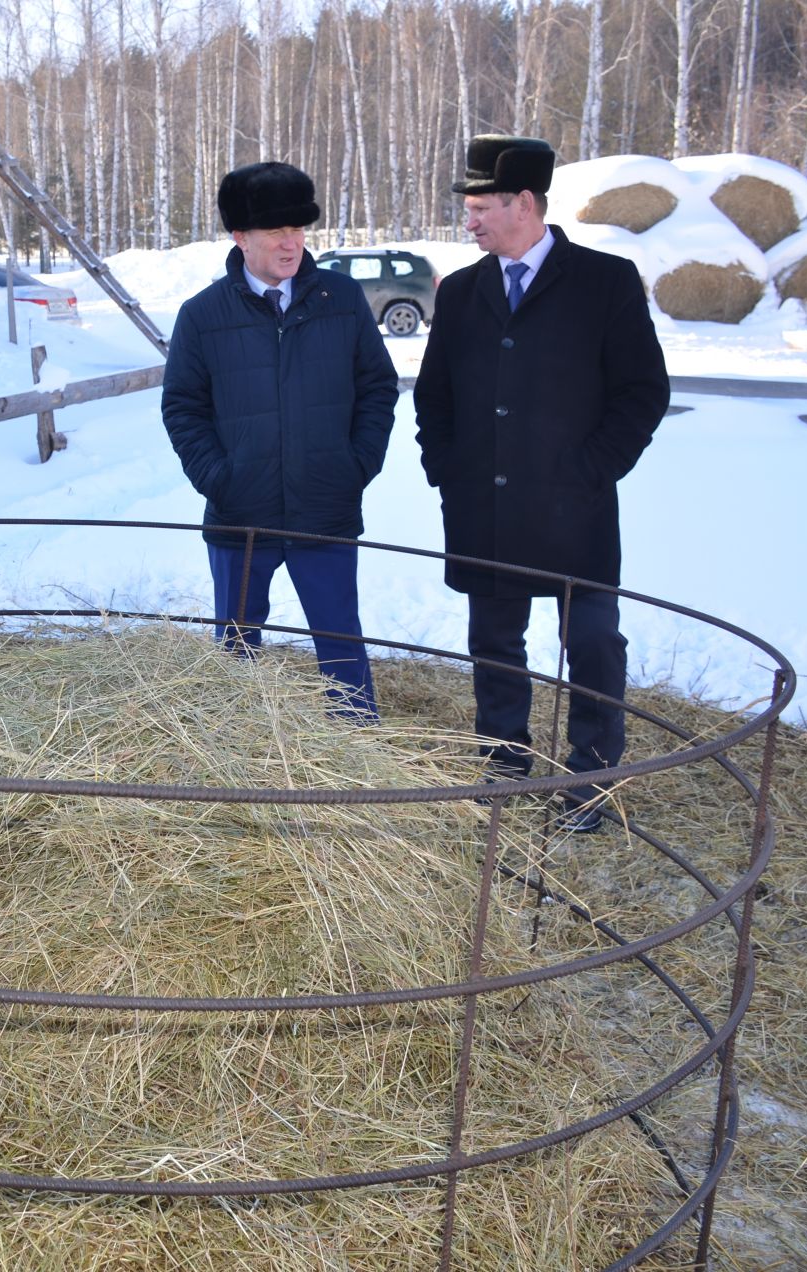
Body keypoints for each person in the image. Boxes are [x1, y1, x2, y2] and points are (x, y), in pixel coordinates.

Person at [412, 135, 670, 831]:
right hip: (483, 507)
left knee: (591, 644)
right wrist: (448, 472)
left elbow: (643, 393)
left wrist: (591, 470)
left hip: (576, 512)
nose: (469, 221)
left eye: (479, 207)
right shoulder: (462, 291)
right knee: (494, 643)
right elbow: (433, 397)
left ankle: (592, 781)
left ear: (523, 203)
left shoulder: (605, 282)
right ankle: (503, 763)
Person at [161, 162, 398, 718]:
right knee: (236, 647)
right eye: (275, 232)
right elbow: (183, 408)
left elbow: (378, 387)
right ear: (241, 237)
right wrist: (220, 479)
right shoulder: (202, 315)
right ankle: (240, 749)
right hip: (241, 513)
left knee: (340, 639)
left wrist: (355, 464)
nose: (291, 244)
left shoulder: (339, 299)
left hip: (326, 504)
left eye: (298, 230)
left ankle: (358, 745)